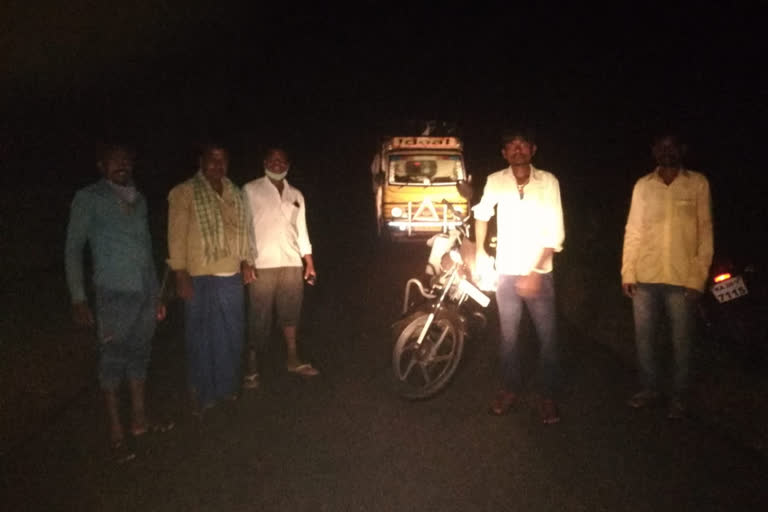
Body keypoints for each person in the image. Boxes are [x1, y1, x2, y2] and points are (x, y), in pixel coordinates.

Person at [65, 144, 172, 463]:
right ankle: (116, 432)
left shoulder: (138, 199)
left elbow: (145, 248)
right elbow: (73, 249)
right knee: (112, 360)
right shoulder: (89, 198)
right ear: (101, 165)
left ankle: (140, 420)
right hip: (112, 294)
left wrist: (157, 294)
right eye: (114, 161)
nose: (121, 165)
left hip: (143, 292)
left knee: (140, 355)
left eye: (126, 160)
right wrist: (78, 297)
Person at [473, 129, 565, 425]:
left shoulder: (548, 181)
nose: (517, 150)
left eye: (522, 145)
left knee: (547, 338)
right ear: (504, 153)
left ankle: (547, 396)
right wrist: (479, 252)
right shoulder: (495, 181)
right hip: (506, 272)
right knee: (508, 337)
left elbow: (556, 231)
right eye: (511, 146)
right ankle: (509, 388)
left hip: (539, 273)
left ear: (532, 149)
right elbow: (482, 214)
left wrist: (536, 271)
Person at [622, 134, 713, 419]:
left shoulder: (697, 183)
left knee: (681, 342)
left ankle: (679, 397)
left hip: (682, 279)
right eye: (661, 147)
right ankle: (649, 389)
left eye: (672, 146)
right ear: (654, 152)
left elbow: (705, 233)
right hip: (645, 276)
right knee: (645, 339)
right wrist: (628, 271)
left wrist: (698, 279)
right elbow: (633, 230)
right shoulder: (643, 186)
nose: (667, 152)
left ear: (682, 150)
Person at [167, 143, 256, 415]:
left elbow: (245, 230)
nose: (218, 165)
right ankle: (201, 391)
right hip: (200, 274)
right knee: (200, 336)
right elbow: (176, 235)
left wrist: (247, 261)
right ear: (201, 161)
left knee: (230, 334)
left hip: (230, 274)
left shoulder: (236, 192)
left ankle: (226, 387)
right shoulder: (184, 192)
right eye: (212, 160)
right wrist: (180, 273)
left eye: (223, 160)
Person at [241, 147, 318, 389]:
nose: (277, 164)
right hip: (261, 263)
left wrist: (309, 264)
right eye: (273, 160)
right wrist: (245, 261)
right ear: (265, 162)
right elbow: (242, 228)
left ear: (288, 165)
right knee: (259, 316)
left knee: (291, 313)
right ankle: (252, 368)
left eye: (282, 160)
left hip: (292, 263)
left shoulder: (296, 194)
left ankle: (293, 359)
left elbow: (302, 231)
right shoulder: (250, 190)